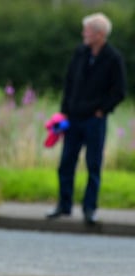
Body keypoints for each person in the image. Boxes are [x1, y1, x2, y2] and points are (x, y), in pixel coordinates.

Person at [46, 12, 126, 225]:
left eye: (87, 30)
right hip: (73, 118)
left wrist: (102, 110)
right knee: (66, 163)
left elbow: (119, 91)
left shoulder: (113, 58)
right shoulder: (80, 53)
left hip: (94, 120)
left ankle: (89, 208)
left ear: (99, 34)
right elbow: (69, 82)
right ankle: (64, 205)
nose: (84, 34)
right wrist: (64, 110)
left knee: (93, 164)